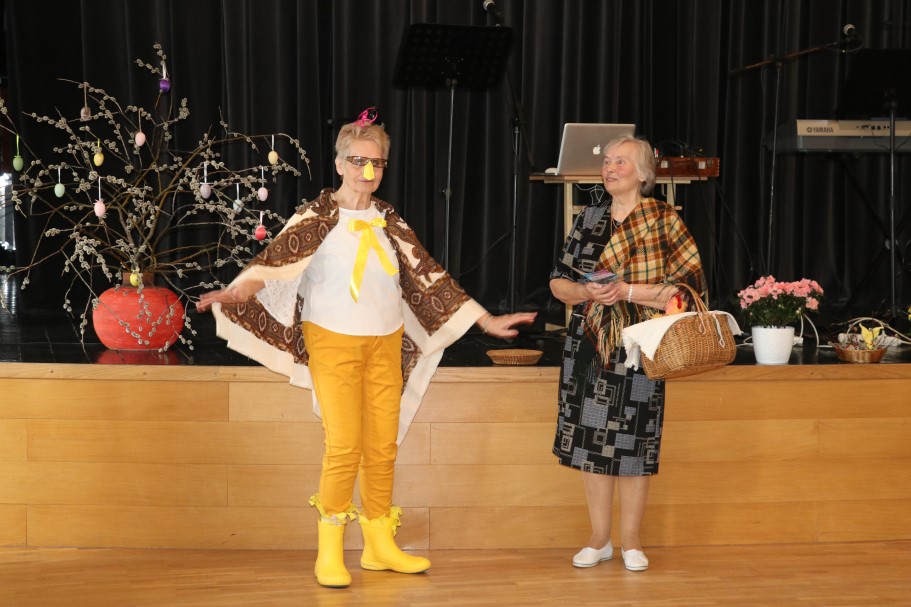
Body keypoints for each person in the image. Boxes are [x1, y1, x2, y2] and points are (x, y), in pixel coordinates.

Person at [197, 109, 536, 588]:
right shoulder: (315, 216)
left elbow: (432, 278)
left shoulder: (388, 220)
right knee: (344, 445)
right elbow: (271, 264)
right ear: (339, 164)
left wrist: (487, 320)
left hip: (385, 343)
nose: (367, 170)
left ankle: (378, 545)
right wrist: (233, 293)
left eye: (376, 162)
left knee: (381, 446)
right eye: (358, 161)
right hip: (332, 341)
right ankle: (330, 550)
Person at [548, 135, 704, 572]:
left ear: (644, 174)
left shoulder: (664, 220)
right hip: (589, 345)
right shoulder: (589, 219)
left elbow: (688, 290)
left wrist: (628, 291)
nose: (610, 167)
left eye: (621, 161)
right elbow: (557, 282)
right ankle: (599, 540)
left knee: (635, 444)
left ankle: (631, 542)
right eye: (607, 161)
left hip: (640, 346)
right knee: (590, 443)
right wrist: (585, 292)